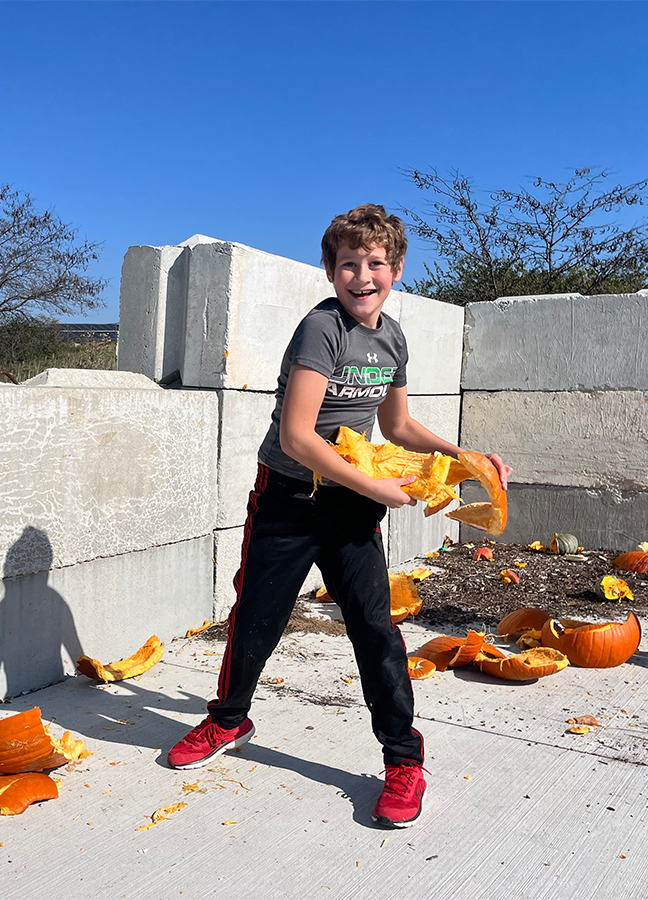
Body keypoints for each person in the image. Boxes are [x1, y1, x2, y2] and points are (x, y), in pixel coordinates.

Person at [165, 203, 512, 828]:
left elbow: (396, 425)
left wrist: (465, 458)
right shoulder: (321, 330)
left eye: (375, 263)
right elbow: (298, 436)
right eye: (348, 264)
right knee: (257, 617)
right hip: (288, 498)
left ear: (397, 269)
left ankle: (404, 759)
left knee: (374, 627)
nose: (362, 275)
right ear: (331, 272)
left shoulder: (392, 338)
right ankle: (228, 720)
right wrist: (376, 486)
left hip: (351, 500)